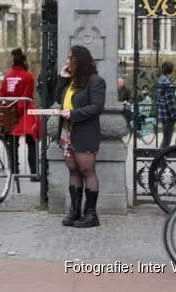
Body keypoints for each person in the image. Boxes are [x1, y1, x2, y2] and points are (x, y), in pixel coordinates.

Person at [56, 45, 106, 228]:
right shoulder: (71, 82)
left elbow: (97, 107)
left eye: (72, 59)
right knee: (73, 170)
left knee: (87, 170)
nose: (68, 61)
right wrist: (63, 78)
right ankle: (74, 210)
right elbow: (57, 98)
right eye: (68, 58)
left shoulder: (96, 81)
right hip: (67, 131)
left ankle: (91, 214)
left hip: (84, 131)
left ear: (81, 61)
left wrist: (74, 114)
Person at [0, 48, 39, 181]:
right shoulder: (28, 76)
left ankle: (14, 172)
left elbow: (2, 95)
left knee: (12, 143)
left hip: (11, 112)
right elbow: (27, 96)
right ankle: (33, 173)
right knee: (31, 142)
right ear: (24, 62)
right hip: (26, 112)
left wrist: (10, 111)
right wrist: (18, 109)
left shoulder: (7, 76)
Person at [156, 61, 176, 148]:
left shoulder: (161, 80)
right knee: (166, 141)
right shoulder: (166, 82)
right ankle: (160, 160)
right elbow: (170, 100)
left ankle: (161, 159)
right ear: (171, 70)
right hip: (168, 115)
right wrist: (175, 115)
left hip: (163, 113)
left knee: (165, 139)